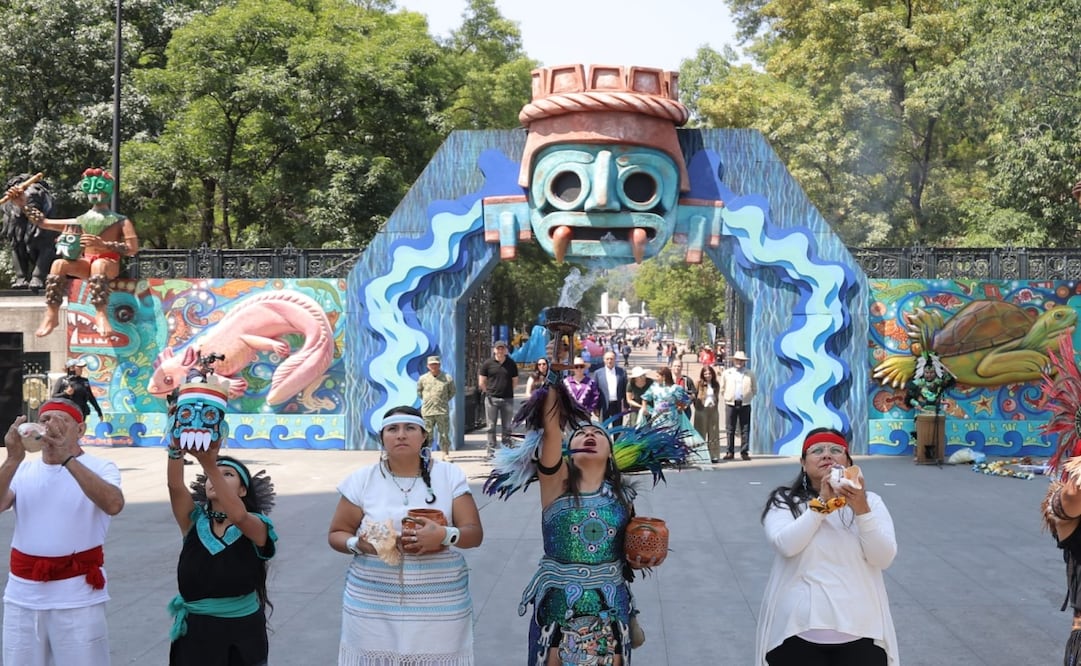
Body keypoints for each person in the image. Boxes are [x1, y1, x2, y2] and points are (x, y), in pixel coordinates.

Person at [484, 382, 690, 665]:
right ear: (568, 451)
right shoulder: (555, 486)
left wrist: (639, 557)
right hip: (559, 604)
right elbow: (552, 425)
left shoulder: (623, 496)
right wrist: (556, 374)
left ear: (610, 452)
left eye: (598, 434)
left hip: (611, 602)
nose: (590, 435)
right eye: (581, 434)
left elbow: (624, 553)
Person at [328, 405, 483, 665]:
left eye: (410, 428)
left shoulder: (449, 475)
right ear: (382, 438)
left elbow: (474, 533)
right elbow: (336, 533)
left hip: (439, 602)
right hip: (373, 600)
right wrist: (359, 544)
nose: (401, 435)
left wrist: (445, 535)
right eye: (393, 429)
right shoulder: (362, 479)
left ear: (423, 436)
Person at [756, 428, 898, 665]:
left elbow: (883, 558)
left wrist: (861, 509)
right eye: (817, 450)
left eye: (835, 450)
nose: (826, 455)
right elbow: (786, 545)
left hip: (861, 634)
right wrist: (822, 505)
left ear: (849, 462)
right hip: (797, 635)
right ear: (803, 463)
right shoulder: (785, 502)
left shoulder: (871, 502)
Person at [0, 398, 125, 665]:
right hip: (23, 597)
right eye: (45, 420)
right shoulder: (24, 468)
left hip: (77, 598)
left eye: (61, 420)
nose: (51, 426)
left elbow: (113, 504)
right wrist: (12, 459)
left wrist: (66, 458)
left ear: (80, 430)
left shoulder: (102, 467)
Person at [166, 443, 277, 665]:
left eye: (228, 474)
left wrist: (210, 465)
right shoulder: (194, 522)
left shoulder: (258, 525)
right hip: (196, 631)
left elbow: (239, 516)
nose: (216, 477)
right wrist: (175, 446)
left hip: (242, 632)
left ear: (243, 490)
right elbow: (175, 486)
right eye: (212, 475)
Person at [5, 167, 139, 338]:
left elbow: (132, 249)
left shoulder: (120, 221)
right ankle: (52, 314)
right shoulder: (81, 220)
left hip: (108, 263)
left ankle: (100, 313)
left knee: (98, 264)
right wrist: (23, 203)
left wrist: (103, 244)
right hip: (87, 263)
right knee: (58, 264)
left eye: (98, 188)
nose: (95, 193)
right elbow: (44, 222)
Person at [478, 340, 519, 459]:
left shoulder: (511, 364)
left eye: (502, 348)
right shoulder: (487, 364)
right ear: (494, 350)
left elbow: (515, 382)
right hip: (492, 399)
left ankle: (506, 450)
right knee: (491, 426)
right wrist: (488, 392)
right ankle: (491, 452)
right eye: (498, 348)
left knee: (507, 426)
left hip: (507, 399)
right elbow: (482, 381)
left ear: (506, 350)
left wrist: (506, 391)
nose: (500, 351)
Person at [642, 367, 702, 448]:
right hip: (657, 418)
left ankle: (671, 458)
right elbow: (645, 397)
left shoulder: (676, 388)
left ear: (664, 377)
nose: (656, 378)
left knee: (671, 439)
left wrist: (681, 407)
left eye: (658, 376)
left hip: (671, 418)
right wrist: (644, 407)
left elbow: (686, 400)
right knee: (657, 438)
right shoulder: (654, 387)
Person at [720, 350, 756, 460]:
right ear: (734, 361)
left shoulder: (750, 373)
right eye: (737, 360)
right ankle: (730, 451)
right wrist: (727, 397)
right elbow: (722, 388)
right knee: (730, 428)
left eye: (741, 360)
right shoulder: (727, 373)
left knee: (745, 428)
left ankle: (744, 451)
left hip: (745, 403)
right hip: (731, 402)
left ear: (744, 362)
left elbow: (754, 388)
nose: (739, 362)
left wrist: (748, 396)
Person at [417, 355, 456, 456]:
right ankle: (425, 454)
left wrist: (442, 400)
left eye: (435, 364)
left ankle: (445, 453)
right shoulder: (423, 379)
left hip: (441, 411)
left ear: (439, 365)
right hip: (428, 411)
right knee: (427, 434)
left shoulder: (447, 378)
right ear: (427, 366)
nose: (433, 366)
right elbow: (419, 392)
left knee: (444, 434)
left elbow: (452, 392)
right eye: (431, 364)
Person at [694, 365, 722, 463]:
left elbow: (716, 396)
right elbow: (694, 395)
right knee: (701, 432)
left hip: (713, 410)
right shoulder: (699, 383)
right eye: (705, 373)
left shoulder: (716, 384)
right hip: (701, 410)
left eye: (709, 373)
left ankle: (713, 455)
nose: (707, 375)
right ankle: (700, 455)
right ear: (702, 374)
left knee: (713, 432)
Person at [593, 351, 628, 425]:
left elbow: (625, 389)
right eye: (607, 359)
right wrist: (595, 407)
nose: (609, 361)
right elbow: (595, 391)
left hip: (617, 405)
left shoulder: (622, 372)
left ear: (615, 359)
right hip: (603, 405)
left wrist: (626, 405)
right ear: (604, 360)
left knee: (618, 428)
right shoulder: (598, 373)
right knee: (603, 428)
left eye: (611, 359)